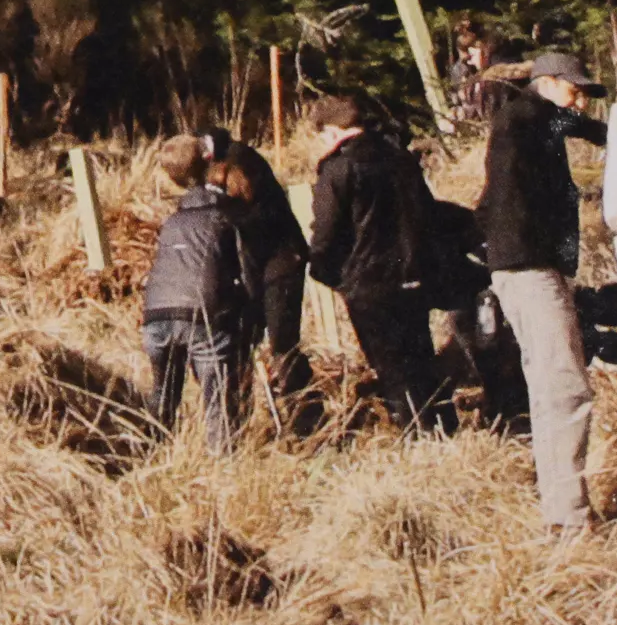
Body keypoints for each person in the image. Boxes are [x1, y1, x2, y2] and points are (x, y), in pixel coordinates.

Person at [474, 51, 609, 534]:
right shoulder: (524, 120)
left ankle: (562, 511)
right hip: (529, 267)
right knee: (565, 387)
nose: (580, 102)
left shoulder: (529, 118)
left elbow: (573, 125)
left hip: (527, 266)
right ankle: (570, 519)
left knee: (554, 388)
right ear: (546, 83)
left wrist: (609, 136)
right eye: (574, 91)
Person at [307, 94, 456, 433]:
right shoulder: (400, 158)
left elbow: (326, 233)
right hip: (412, 273)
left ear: (332, 131)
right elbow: (427, 213)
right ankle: (443, 426)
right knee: (420, 356)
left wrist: (332, 275)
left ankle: (417, 433)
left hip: (367, 282)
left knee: (391, 367)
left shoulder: (337, 168)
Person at [198, 124, 315, 419]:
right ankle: (240, 417)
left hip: (280, 263)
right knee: (241, 344)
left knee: (282, 343)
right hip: (250, 268)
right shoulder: (222, 193)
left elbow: (258, 216)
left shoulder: (244, 164)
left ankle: (304, 416)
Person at [143, 135, 251, 453]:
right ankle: (223, 462)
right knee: (218, 401)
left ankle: (151, 453)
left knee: (163, 396)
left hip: (156, 315)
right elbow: (245, 273)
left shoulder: (171, 222)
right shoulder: (226, 216)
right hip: (202, 315)